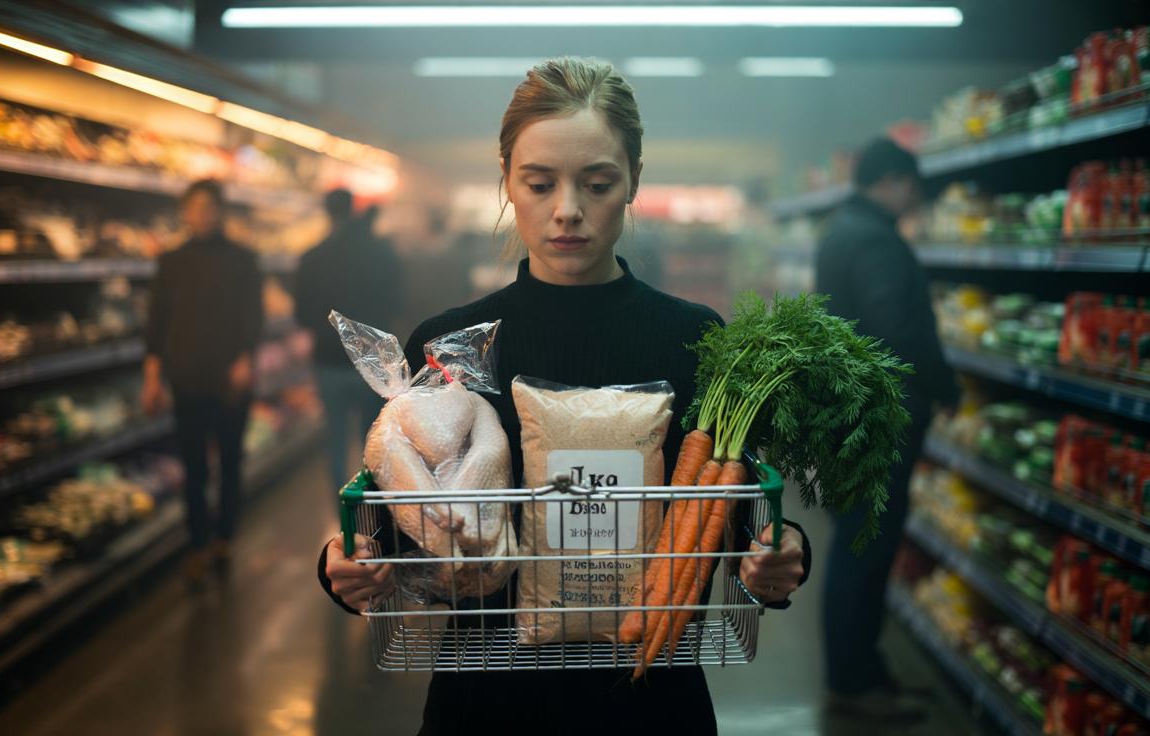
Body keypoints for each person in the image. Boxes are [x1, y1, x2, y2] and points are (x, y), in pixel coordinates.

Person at [318, 58, 812, 735]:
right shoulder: (446, 347)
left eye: (598, 182)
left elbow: (729, 517)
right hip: (485, 704)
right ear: (507, 182)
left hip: (650, 697)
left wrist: (776, 553)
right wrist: (347, 562)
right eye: (540, 183)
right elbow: (390, 527)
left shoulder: (695, 338)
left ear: (635, 180)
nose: (568, 210)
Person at [814, 138, 959, 722]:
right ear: (894, 181)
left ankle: (867, 672)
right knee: (863, 551)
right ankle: (854, 682)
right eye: (912, 189)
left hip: (854, 414)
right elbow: (895, 329)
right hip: (877, 416)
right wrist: (945, 384)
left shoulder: (843, 229)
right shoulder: (874, 238)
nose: (913, 201)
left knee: (860, 549)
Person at [142, 179, 264, 584]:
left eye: (209, 208)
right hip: (187, 377)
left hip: (230, 379)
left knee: (230, 461)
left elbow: (252, 316)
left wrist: (246, 358)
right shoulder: (171, 261)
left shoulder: (243, 260)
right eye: (194, 208)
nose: (202, 215)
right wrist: (153, 377)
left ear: (220, 212)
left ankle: (224, 538)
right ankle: (197, 544)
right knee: (194, 467)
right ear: (185, 212)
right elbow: (156, 323)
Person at [293, 190, 403, 492]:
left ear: (326, 213)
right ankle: (375, 505)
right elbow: (397, 303)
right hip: (373, 363)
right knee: (375, 439)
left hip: (328, 361)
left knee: (336, 440)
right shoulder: (381, 254)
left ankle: (345, 512)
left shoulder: (312, 258)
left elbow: (301, 316)